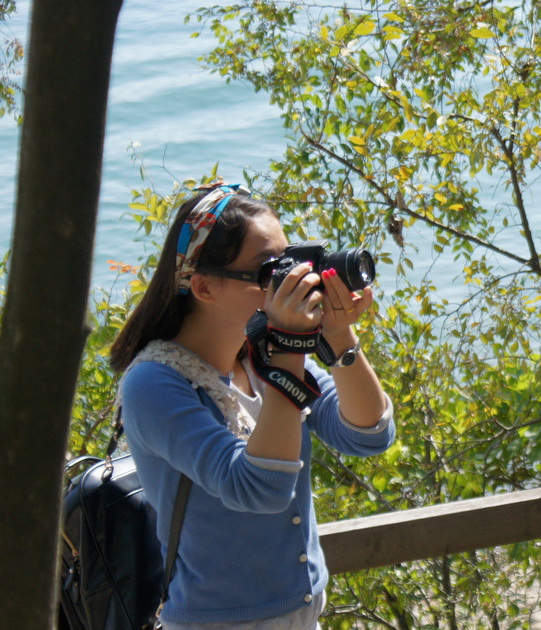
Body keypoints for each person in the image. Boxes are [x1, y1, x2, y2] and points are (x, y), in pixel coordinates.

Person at [109, 182, 395, 630]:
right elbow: (257, 488)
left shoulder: (261, 353)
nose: (287, 283)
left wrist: (339, 337)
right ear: (203, 286)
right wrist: (291, 347)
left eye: (289, 263)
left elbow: (367, 434)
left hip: (304, 615)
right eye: (268, 272)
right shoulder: (154, 383)